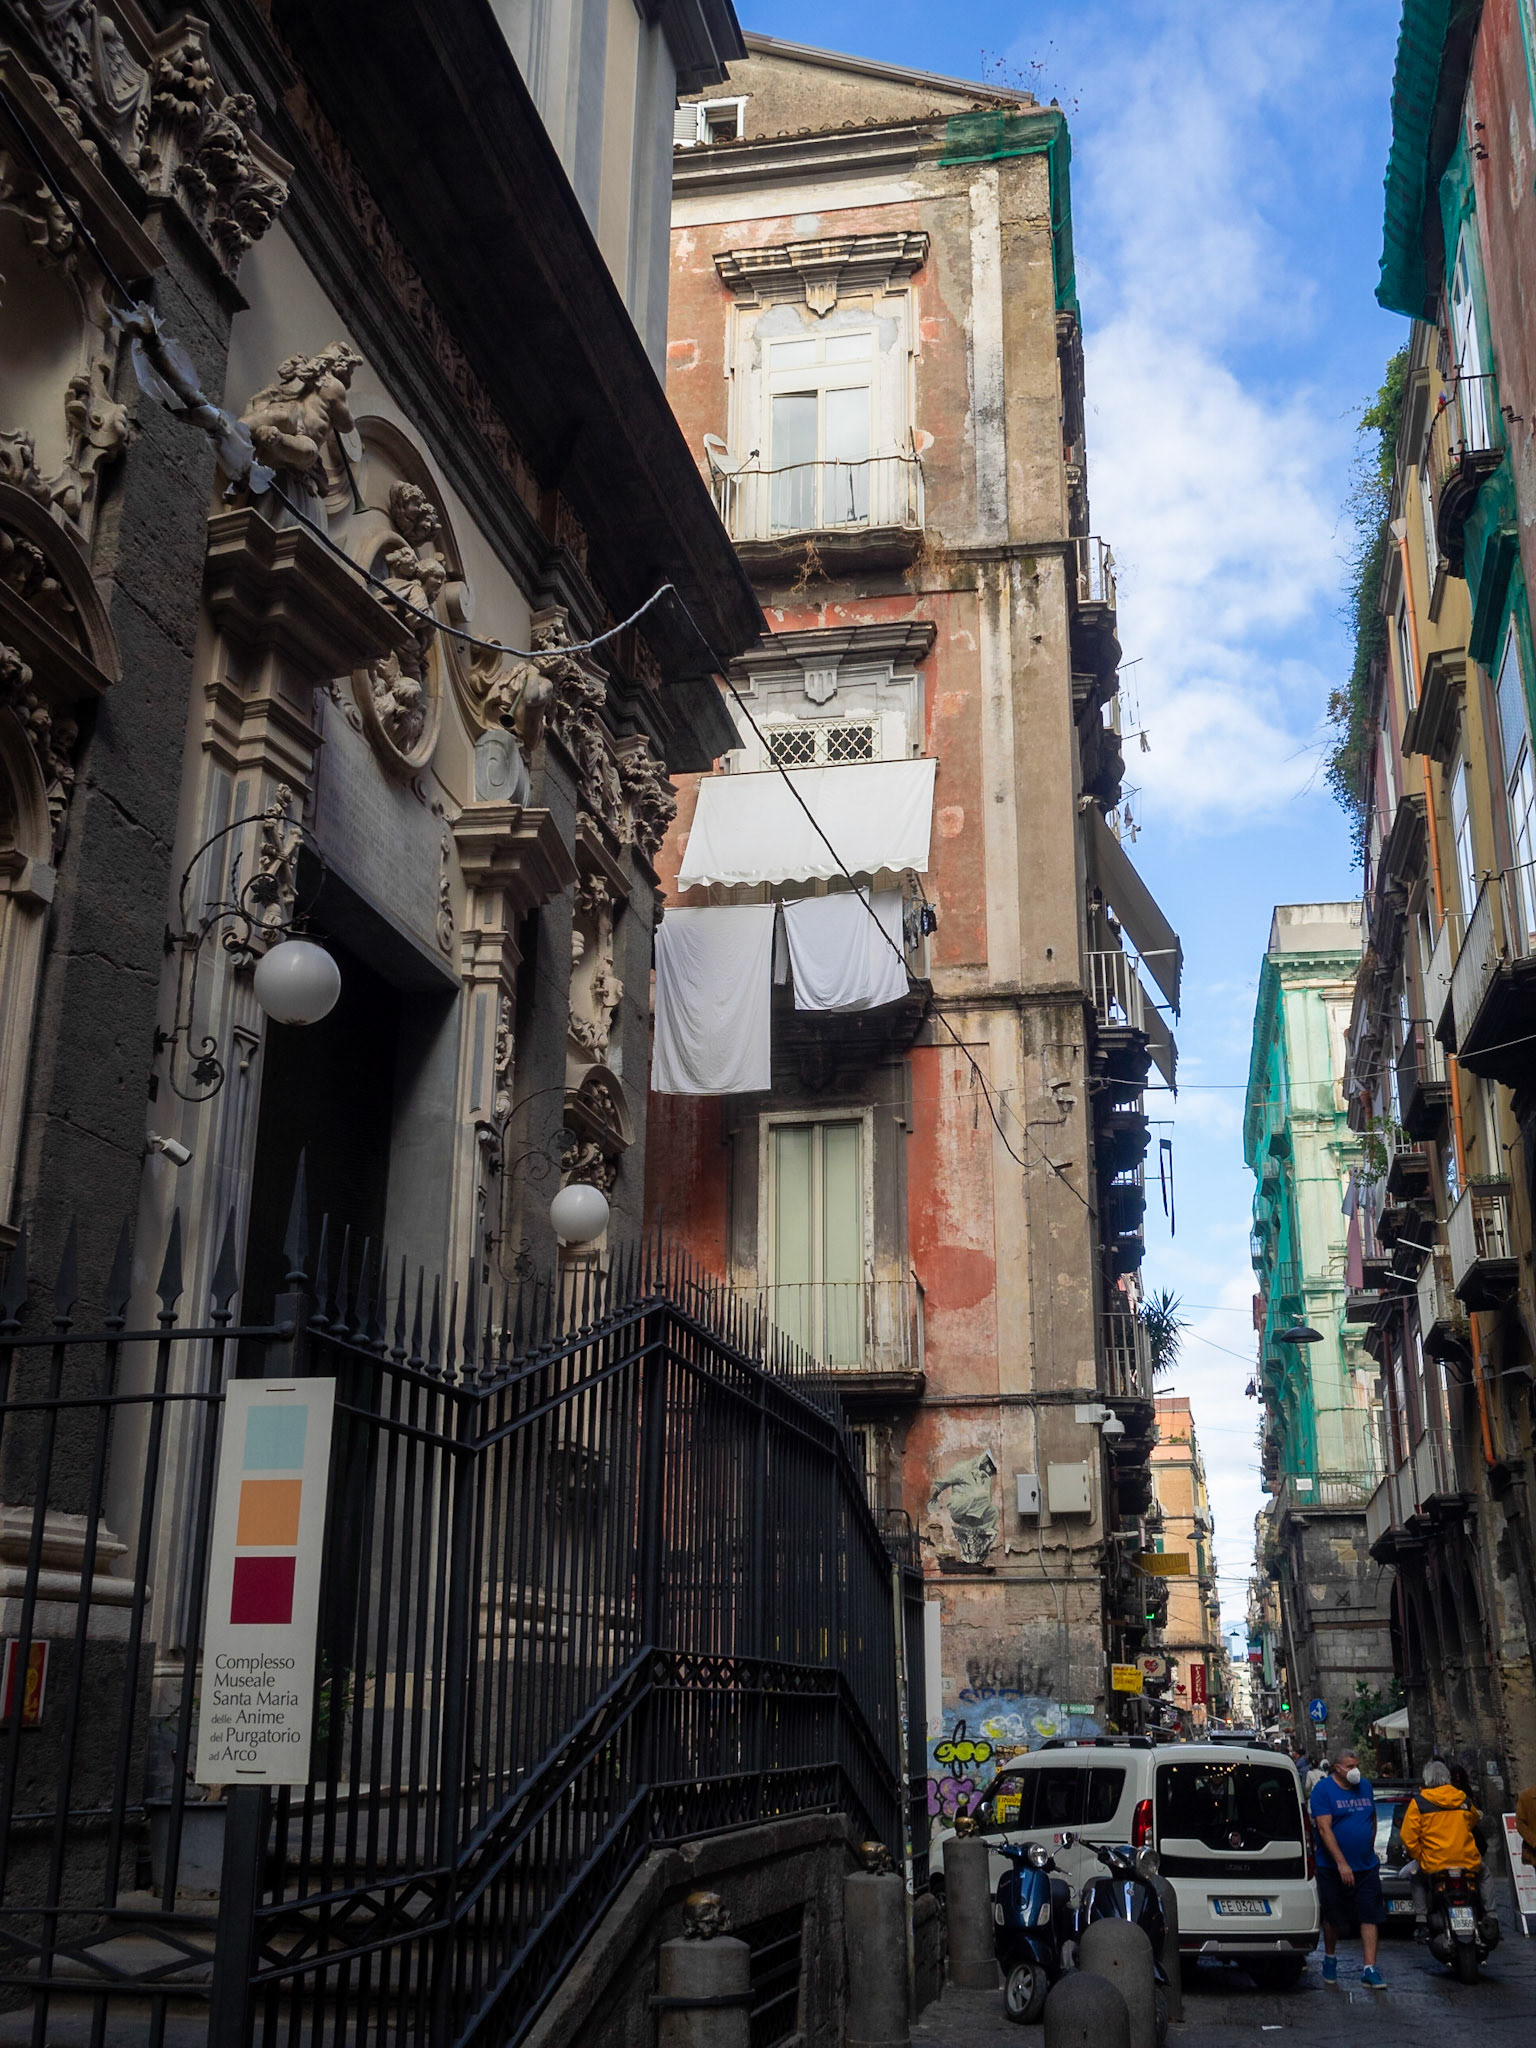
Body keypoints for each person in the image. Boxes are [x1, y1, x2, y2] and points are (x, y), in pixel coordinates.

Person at [1310, 1746, 1385, 1987]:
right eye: (1351, 1767)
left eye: (1357, 1765)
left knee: (1369, 1915)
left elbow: (1371, 1818)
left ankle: (1370, 1968)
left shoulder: (1366, 1787)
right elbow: (1324, 1828)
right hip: (1332, 1868)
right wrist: (1342, 1863)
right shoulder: (1323, 1790)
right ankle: (1330, 1958)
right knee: (1334, 1918)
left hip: (1366, 1866)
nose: (1356, 1771)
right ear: (1338, 1768)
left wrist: (1368, 1846)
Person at [1400, 1759, 1484, 1931]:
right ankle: (1491, 1914)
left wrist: (1419, 1855)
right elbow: (1474, 1820)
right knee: (1485, 1875)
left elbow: (1408, 1837)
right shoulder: (1462, 1798)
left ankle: (1421, 1919)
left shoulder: (1420, 1802)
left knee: (1416, 1879)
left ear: (1427, 1779)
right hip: (1466, 1860)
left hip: (1434, 1862)